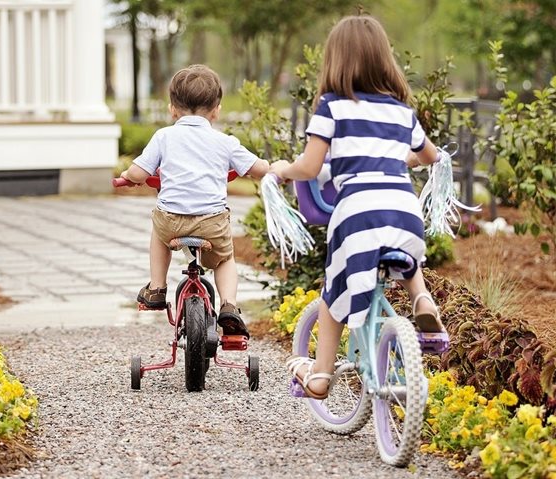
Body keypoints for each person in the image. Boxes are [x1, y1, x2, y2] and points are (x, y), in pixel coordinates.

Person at [269, 15, 447, 398]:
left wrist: (285, 170)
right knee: (409, 262)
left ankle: (319, 375)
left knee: (334, 291)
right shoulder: (402, 111)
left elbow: (311, 167)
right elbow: (430, 156)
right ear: (385, 60)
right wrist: (402, 161)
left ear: (336, 60)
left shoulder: (332, 107)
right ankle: (422, 300)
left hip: (357, 212)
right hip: (405, 211)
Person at [120, 64, 269, 338]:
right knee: (224, 259)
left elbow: (140, 172)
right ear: (216, 111)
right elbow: (258, 169)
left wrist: (127, 176)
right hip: (212, 224)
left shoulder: (163, 136)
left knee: (158, 231)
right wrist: (272, 167)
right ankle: (229, 305)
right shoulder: (224, 141)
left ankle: (157, 287)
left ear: (172, 109)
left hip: (172, 223)